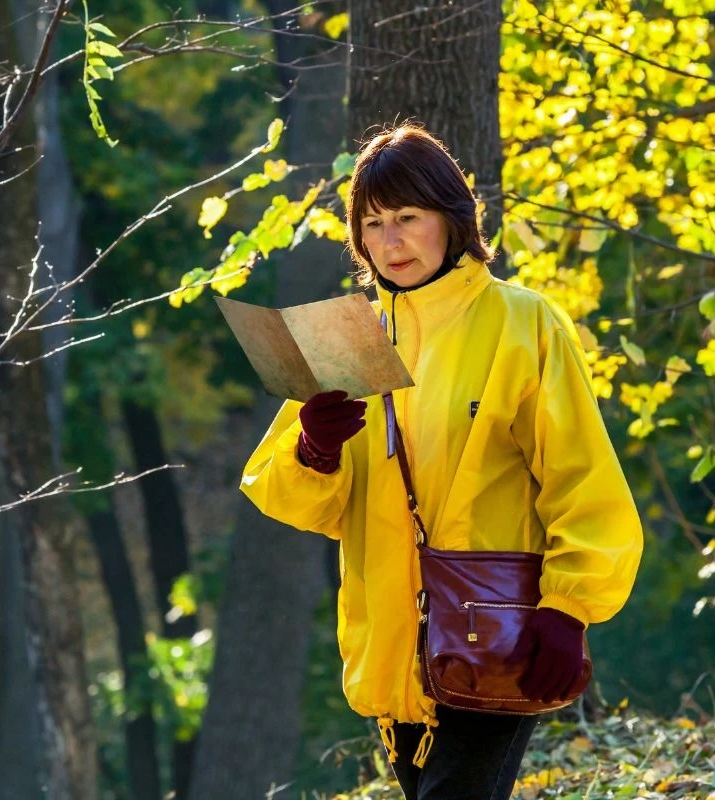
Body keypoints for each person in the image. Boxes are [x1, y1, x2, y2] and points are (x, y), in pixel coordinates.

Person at [239, 124, 644, 800]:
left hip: (502, 630)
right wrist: (315, 448)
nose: (390, 240)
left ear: (452, 220)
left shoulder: (526, 323)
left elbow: (583, 477)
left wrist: (569, 609)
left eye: (407, 217)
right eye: (372, 223)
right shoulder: (350, 339)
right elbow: (296, 501)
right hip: (393, 645)